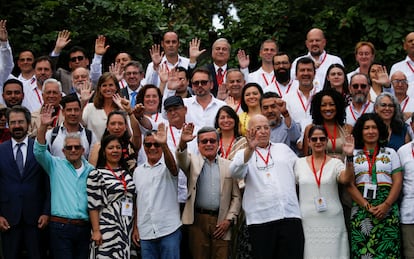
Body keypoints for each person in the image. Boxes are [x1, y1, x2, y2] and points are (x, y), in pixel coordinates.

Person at [230, 114, 304, 259]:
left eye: (266, 127)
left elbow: (301, 173)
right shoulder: (243, 154)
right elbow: (234, 171)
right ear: (249, 131)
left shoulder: (283, 149)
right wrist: (250, 150)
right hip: (260, 220)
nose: (263, 131)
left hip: (289, 216)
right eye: (258, 128)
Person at [177, 125, 241, 259]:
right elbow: (181, 158)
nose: (208, 144)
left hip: (221, 221)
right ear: (198, 144)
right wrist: (183, 142)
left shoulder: (229, 165)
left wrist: (228, 220)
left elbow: (236, 197)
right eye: (204, 141)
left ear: (218, 143)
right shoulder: (192, 162)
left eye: (212, 141)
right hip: (197, 221)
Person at [347, 113, 402, 258]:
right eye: (366, 128)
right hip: (361, 209)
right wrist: (367, 206)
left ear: (380, 130)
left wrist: (386, 204)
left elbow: (397, 181)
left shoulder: (391, 153)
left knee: (388, 252)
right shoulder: (353, 153)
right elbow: (349, 184)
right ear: (360, 131)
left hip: (387, 209)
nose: (370, 131)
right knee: (363, 252)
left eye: (374, 127)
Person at [294, 125, 354, 258]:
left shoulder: (335, 163)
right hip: (308, 220)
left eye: (322, 138)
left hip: (332, 219)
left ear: (327, 141)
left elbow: (346, 179)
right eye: (314, 139)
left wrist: (349, 157)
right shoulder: (298, 163)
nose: (318, 142)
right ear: (308, 142)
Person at [0, 105, 50, 259]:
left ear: (28, 124)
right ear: (8, 124)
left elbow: (48, 183)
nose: (17, 126)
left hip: (35, 219)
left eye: (20, 122)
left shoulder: (40, 149)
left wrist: (46, 212)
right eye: (13, 122)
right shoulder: (1, 150)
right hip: (8, 219)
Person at [132, 124, 181, 259]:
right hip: (145, 231)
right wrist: (136, 227)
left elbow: (174, 168)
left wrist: (164, 145)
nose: (152, 148)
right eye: (148, 145)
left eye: (156, 144)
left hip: (168, 229)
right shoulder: (138, 171)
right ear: (143, 147)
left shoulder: (169, 165)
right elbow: (138, 201)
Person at [87, 134, 135, 258]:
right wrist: (96, 230)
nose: (115, 150)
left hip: (125, 227)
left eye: (118, 147)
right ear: (103, 152)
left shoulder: (127, 173)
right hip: (106, 227)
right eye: (110, 148)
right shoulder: (96, 174)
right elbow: (93, 205)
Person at [303, 89, 353, 158]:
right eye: (323, 105)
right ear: (318, 107)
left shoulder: (348, 129)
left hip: (343, 168)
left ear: (338, 106)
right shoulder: (310, 129)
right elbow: (306, 157)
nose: (328, 108)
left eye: (332, 104)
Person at [45, 94, 97, 159]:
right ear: (63, 112)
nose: (73, 113)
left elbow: (92, 162)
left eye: (76, 110)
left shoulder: (90, 136)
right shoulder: (51, 135)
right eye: (69, 110)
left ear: (80, 111)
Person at [82, 72, 121, 140]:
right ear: (99, 88)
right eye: (104, 85)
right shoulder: (90, 108)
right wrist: (83, 102)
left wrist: (124, 110)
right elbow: (80, 123)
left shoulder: (122, 108)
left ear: (116, 87)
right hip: (95, 149)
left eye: (111, 85)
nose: (108, 88)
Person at [397, 138, 414, 259]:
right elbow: (398, 182)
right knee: (410, 253)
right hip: (410, 213)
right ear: (412, 126)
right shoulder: (403, 151)